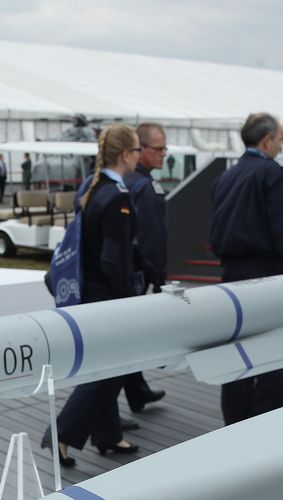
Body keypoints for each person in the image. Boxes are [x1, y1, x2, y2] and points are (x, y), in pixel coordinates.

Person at [43, 123, 143, 467]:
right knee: (110, 370)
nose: (140, 156)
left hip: (89, 292)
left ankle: (107, 435)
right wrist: (130, 297)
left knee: (107, 364)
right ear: (126, 155)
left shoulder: (92, 186)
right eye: (138, 150)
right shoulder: (118, 197)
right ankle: (61, 434)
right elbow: (114, 258)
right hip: (107, 296)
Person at [208, 112, 283, 426]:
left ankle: (234, 427)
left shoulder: (227, 176)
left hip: (231, 278)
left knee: (236, 358)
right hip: (267, 277)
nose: (280, 144)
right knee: (272, 358)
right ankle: (266, 429)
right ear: (267, 140)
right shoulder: (274, 174)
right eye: (279, 138)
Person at [119, 121, 169, 415]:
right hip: (137, 273)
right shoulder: (146, 187)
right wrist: (159, 277)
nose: (164, 154)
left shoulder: (119, 181)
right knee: (130, 339)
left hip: (123, 272)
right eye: (158, 148)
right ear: (140, 149)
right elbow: (152, 238)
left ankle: (137, 391)